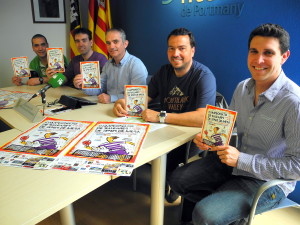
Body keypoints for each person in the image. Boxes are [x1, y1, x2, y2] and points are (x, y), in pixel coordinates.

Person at [169, 23, 300, 225]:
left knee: (206, 214)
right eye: (253, 51)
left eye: (268, 53)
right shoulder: (242, 88)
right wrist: (210, 138)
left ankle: (222, 213)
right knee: (177, 180)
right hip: (232, 164)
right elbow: (231, 128)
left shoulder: (294, 102)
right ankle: (223, 210)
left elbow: (297, 167)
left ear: (284, 56)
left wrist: (242, 160)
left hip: (266, 182)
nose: (259, 60)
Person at [113, 27, 216, 201]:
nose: (176, 53)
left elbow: (203, 118)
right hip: (163, 130)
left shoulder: (204, 76)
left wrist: (161, 117)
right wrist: (120, 103)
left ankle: (172, 183)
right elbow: (141, 99)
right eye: (171, 48)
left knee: (165, 158)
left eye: (182, 48)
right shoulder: (163, 72)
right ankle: (167, 179)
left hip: (190, 138)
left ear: (192, 50)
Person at [73, 28, 148, 103]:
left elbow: (137, 96)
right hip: (108, 107)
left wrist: (111, 98)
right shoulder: (107, 65)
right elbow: (99, 89)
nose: (111, 46)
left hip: (127, 110)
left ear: (125, 44)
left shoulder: (136, 65)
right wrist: (84, 84)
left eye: (115, 42)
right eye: (108, 43)